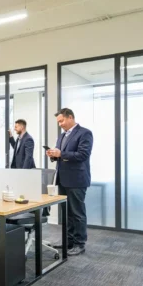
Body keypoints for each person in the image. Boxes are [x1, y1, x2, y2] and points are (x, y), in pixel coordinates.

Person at [46, 108, 93, 257]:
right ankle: (68, 241)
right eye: (58, 121)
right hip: (63, 179)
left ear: (71, 117)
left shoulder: (84, 133)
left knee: (77, 213)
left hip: (77, 179)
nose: (60, 124)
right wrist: (53, 155)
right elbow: (61, 155)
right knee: (66, 213)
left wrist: (61, 153)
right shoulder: (61, 136)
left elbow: (83, 154)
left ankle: (79, 244)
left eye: (62, 120)